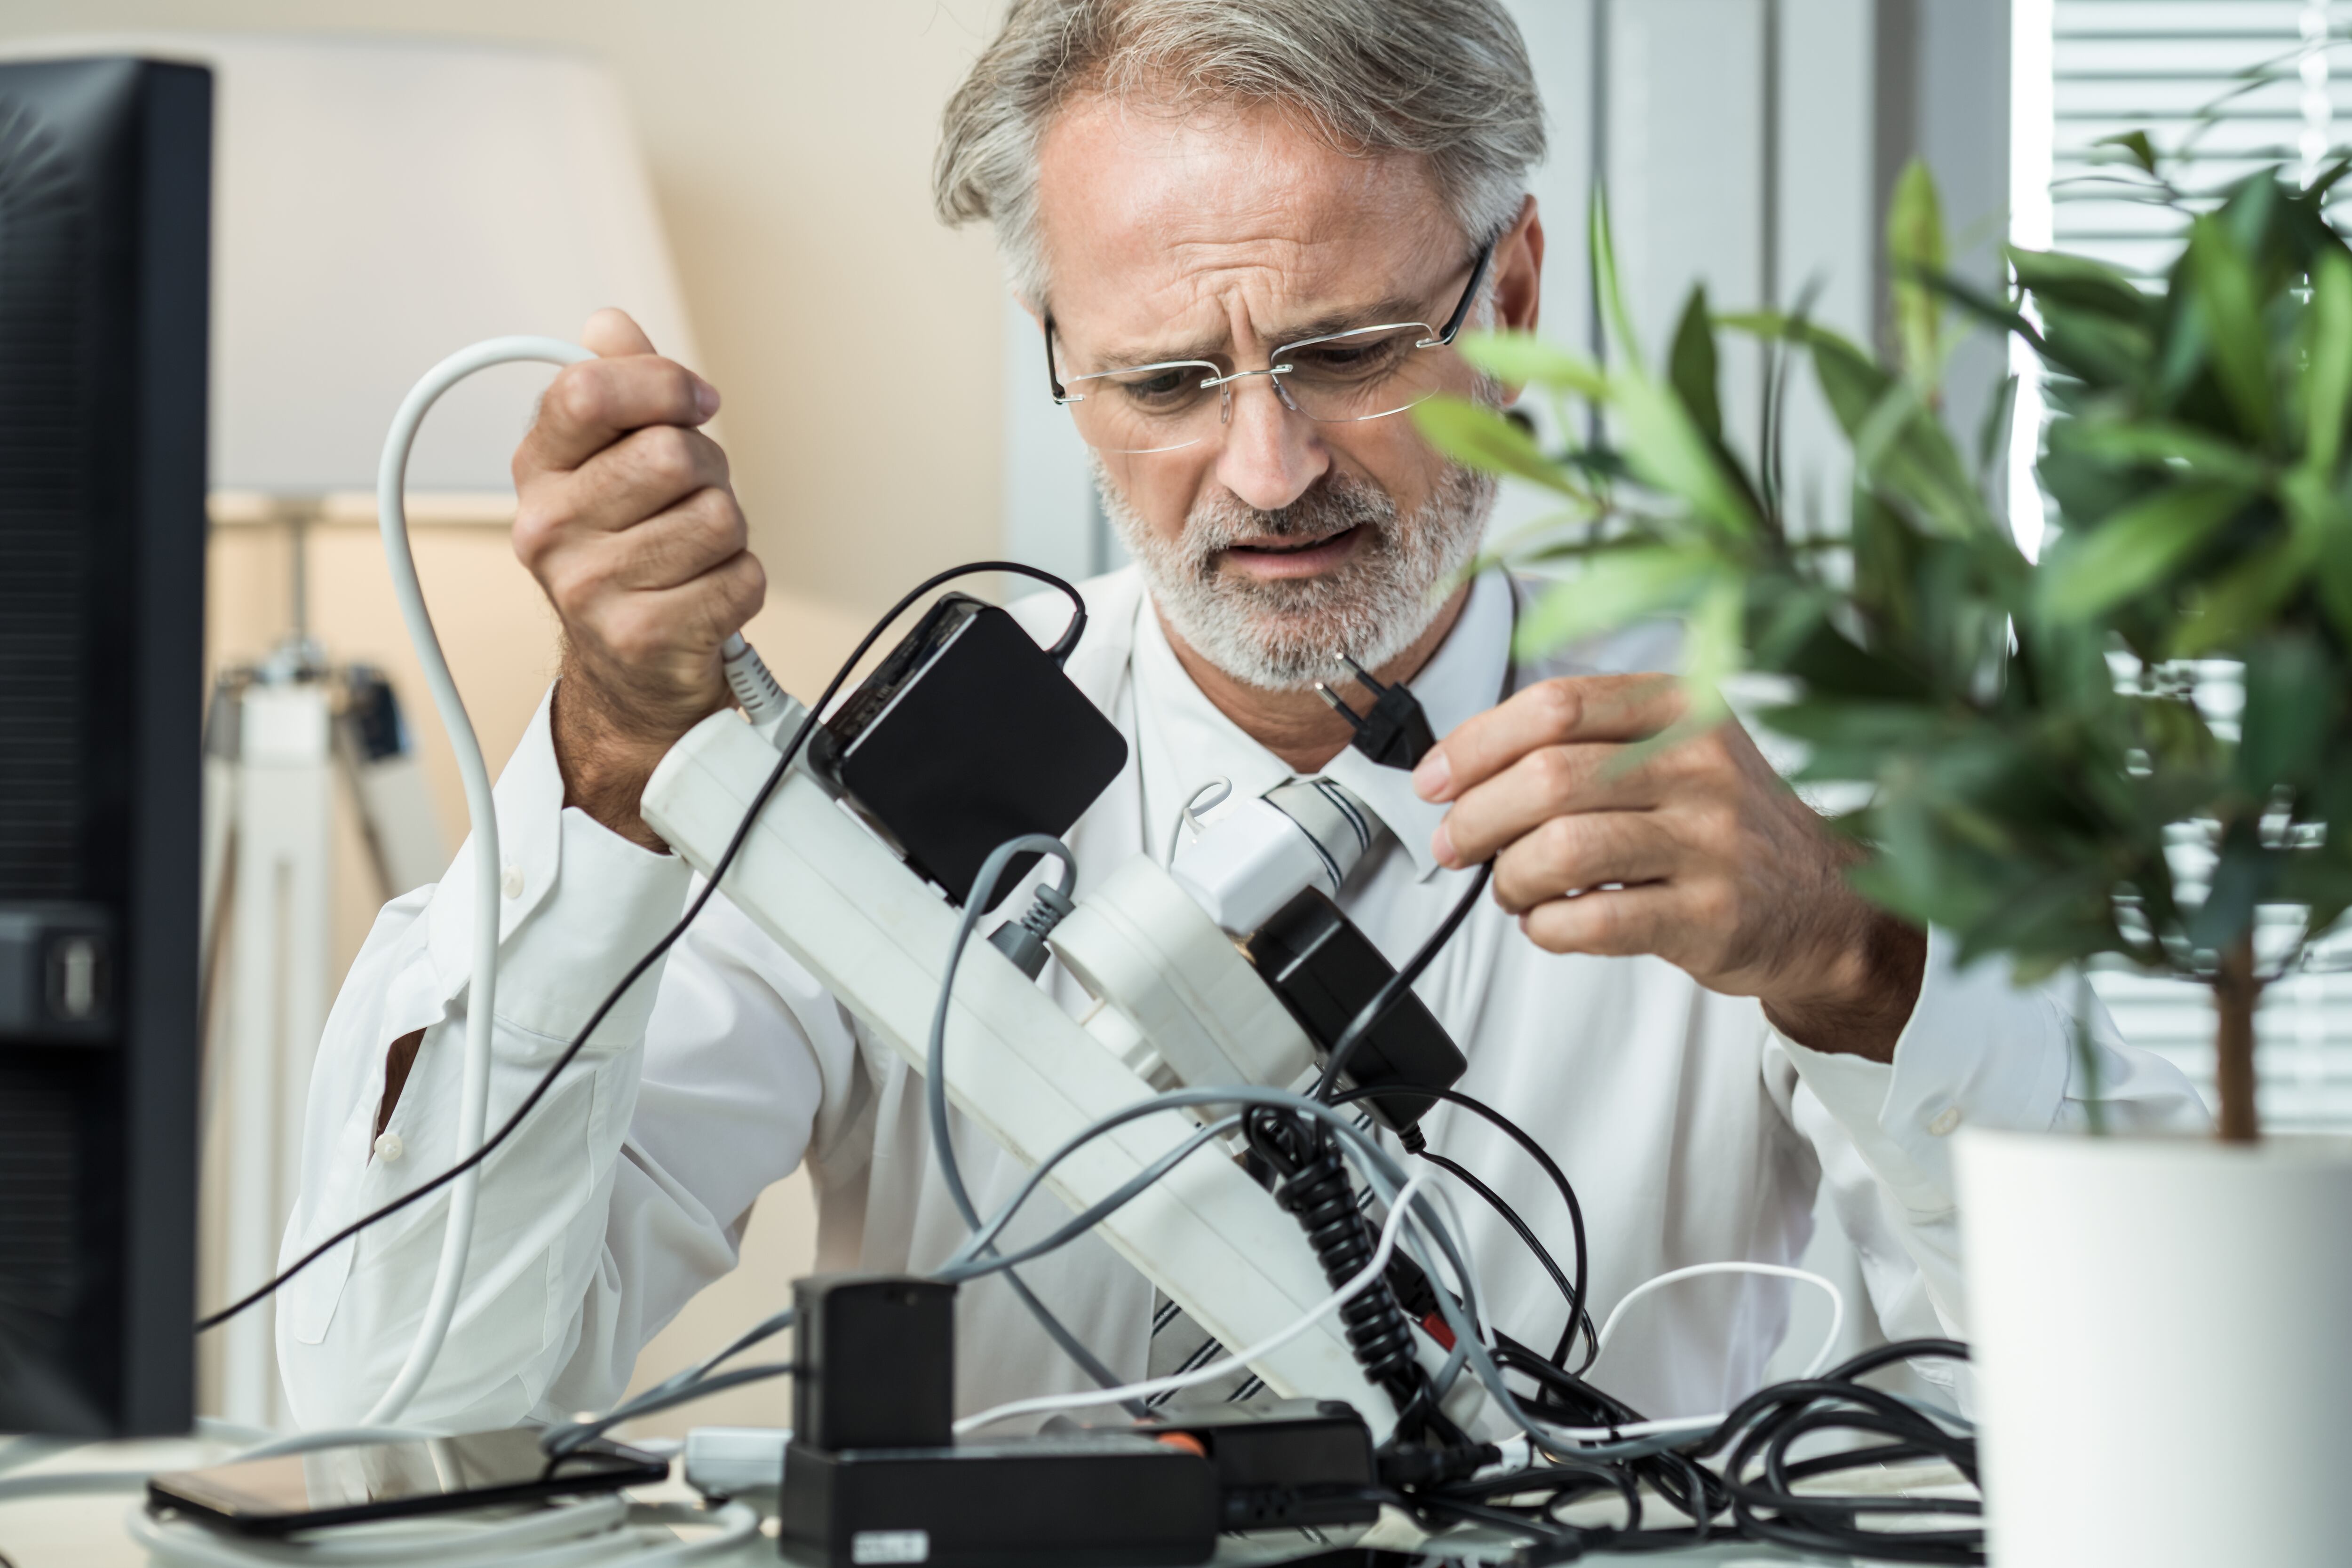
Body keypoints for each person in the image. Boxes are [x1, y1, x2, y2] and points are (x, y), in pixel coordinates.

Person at [280, 0, 2201, 1431]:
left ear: (1510, 285)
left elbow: (2135, 1416)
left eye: (1348, 351)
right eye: (1167, 380)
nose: (1265, 466)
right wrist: (620, 777)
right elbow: (399, 1401)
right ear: (1058, 355)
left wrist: (1865, 966)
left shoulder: (1778, 791)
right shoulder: (861, 813)